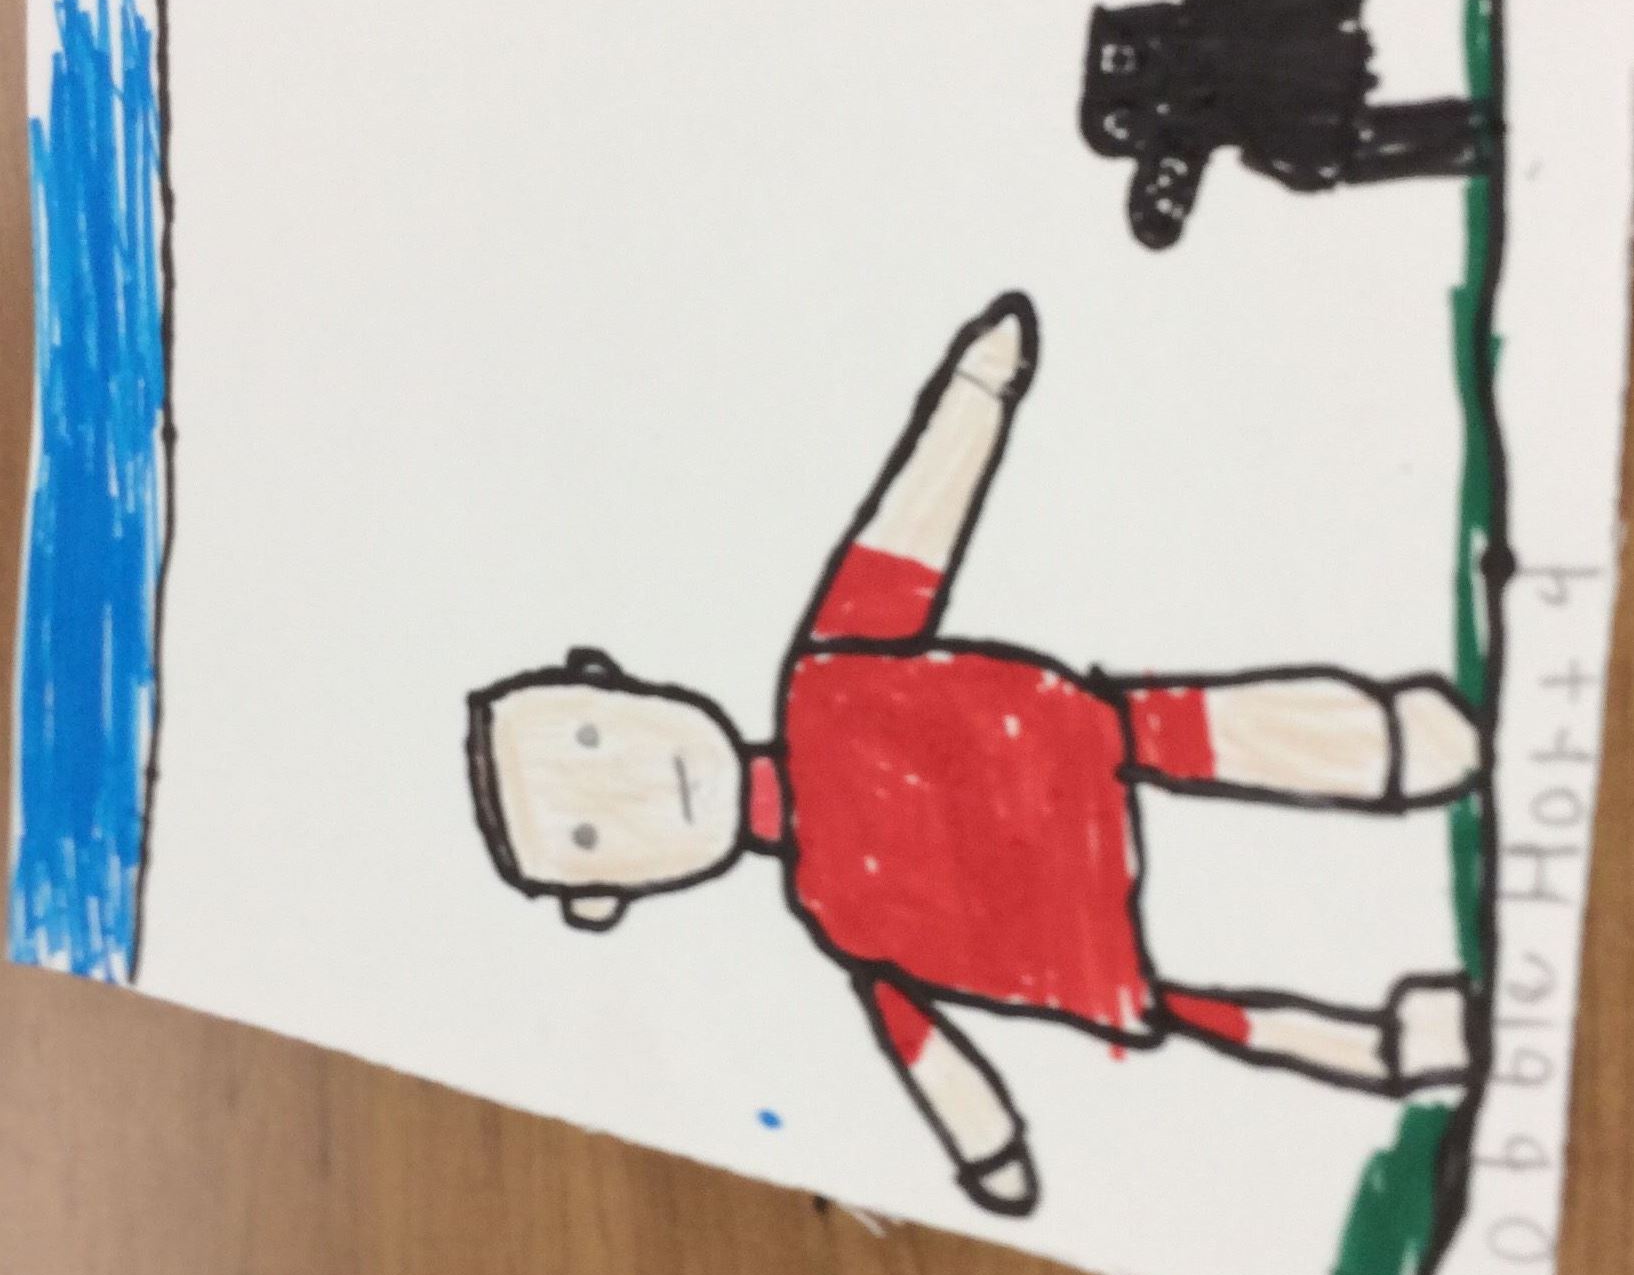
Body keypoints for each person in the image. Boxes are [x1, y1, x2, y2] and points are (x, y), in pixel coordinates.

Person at [466, 293, 1483, 1215]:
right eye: (590, 834)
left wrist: (979, 389)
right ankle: (1388, 1037)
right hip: (1104, 948)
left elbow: (913, 528)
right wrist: (985, 1145)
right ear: (605, 897)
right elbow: (922, 1044)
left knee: (1230, 744)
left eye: (592, 738)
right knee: (1219, 983)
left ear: (614, 684)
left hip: (1116, 756)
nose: (637, 783)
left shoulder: (826, 678)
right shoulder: (835, 909)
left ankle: (1388, 747)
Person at [1080, 0, 1491, 248]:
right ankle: (1464, 139)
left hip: (1267, 7)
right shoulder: (1161, 126)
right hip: (1285, 95)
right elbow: (1168, 188)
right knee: (1306, 155)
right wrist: (1158, 200)